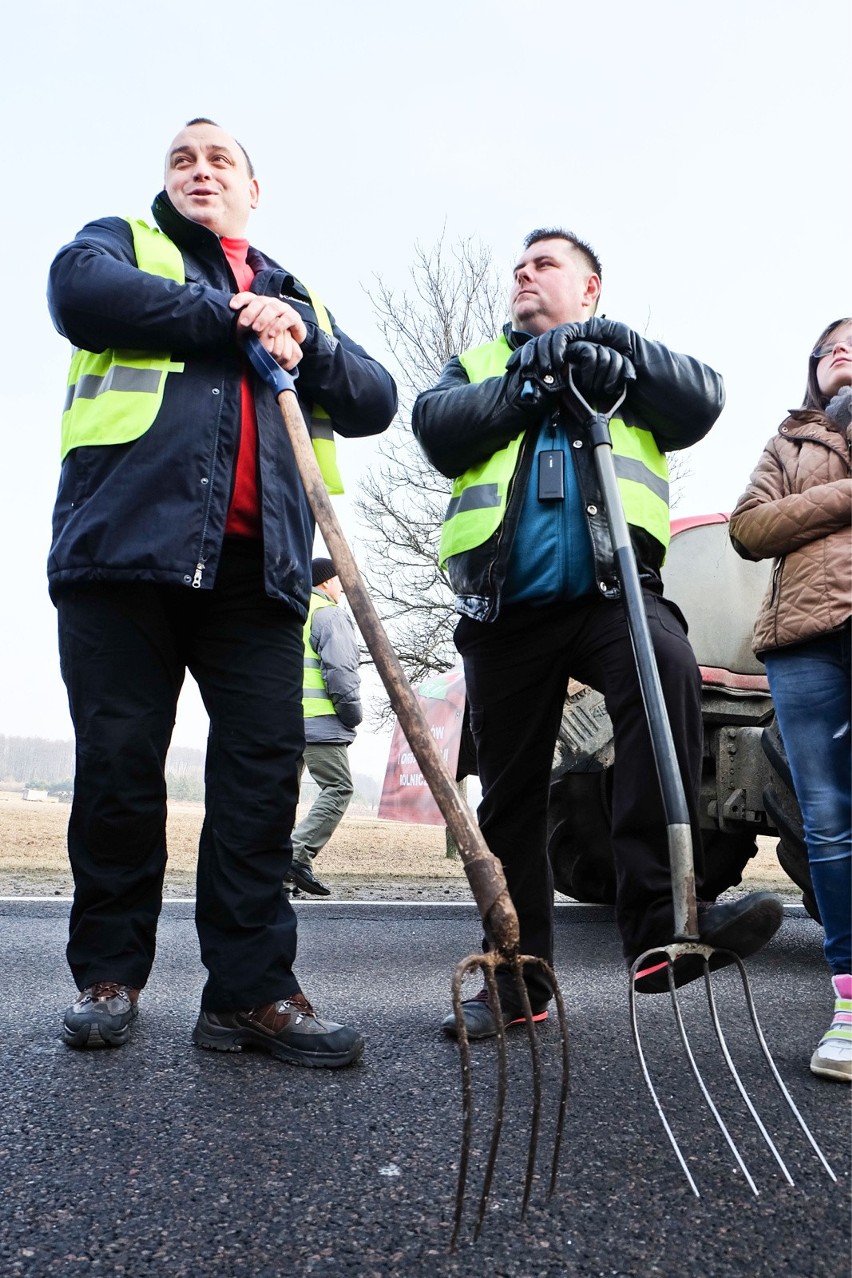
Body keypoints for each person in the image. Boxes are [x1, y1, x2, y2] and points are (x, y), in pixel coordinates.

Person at [48, 118, 397, 1066]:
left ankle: (249, 993)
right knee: (120, 765)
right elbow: (77, 296)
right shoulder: (122, 243)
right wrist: (228, 315)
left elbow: (372, 396)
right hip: (124, 556)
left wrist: (303, 341)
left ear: (253, 188)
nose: (199, 171)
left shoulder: (294, 293)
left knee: (258, 780)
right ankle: (109, 976)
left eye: (219, 160)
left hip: (261, 574)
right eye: (181, 159)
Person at [412, 228, 784, 1038]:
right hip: (504, 610)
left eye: (545, 264)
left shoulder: (629, 363)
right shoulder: (481, 365)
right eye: (519, 266)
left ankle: (663, 931)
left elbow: (703, 398)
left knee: (668, 669)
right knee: (511, 801)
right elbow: (438, 429)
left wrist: (616, 348)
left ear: (590, 288)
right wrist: (527, 382)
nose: (524, 273)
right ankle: (516, 981)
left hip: (617, 594)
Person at [730, 318, 852, 1083]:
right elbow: (749, 527)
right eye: (830, 347)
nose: (842, 352)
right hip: (807, 642)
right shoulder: (790, 445)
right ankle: (850, 1005)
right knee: (831, 825)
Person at [284, 557, 362, 898]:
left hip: (284, 718)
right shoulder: (328, 613)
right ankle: (296, 855)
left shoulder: (292, 609)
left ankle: (277, 874)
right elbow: (341, 671)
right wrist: (351, 715)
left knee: (284, 795)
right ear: (327, 581)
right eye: (340, 582)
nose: (343, 588)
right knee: (339, 787)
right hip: (319, 720)